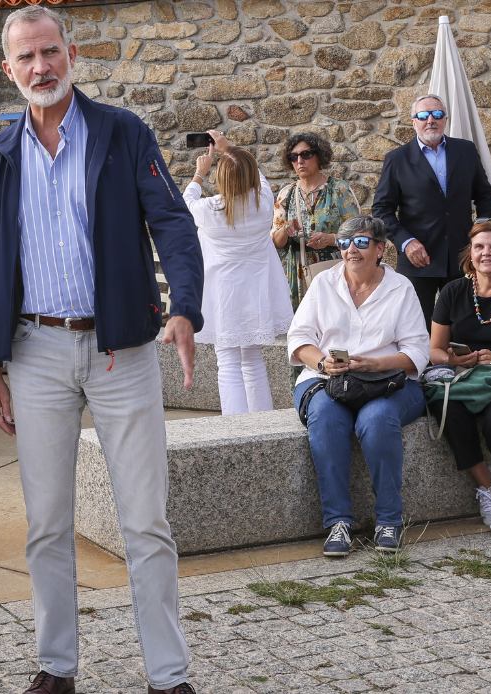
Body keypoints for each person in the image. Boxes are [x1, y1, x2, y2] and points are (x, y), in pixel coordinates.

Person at [0, 7, 202, 693]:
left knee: (145, 521)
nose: (40, 67)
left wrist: (185, 307)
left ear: (70, 53)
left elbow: (171, 221)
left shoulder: (121, 132)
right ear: (8, 70)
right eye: (26, 58)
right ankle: (56, 667)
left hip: (118, 350)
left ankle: (168, 674)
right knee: (45, 523)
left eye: (49, 52)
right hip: (33, 350)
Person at [287, 216, 429, 557]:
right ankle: (338, 522)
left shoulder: (400, 288)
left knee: (376, 420)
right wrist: (323, 362)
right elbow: (299, 339)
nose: (352, 250)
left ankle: (389, 521)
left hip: (390, 382)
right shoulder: (323, 284)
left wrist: (375, 363)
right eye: (346, 243)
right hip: (327, 379)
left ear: (380, 249)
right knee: (325, 417)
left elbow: (417, 352)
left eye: (362, 242)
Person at [184, 131, 293, 415]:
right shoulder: (263, 203)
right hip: (255, 290)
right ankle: (261, 421)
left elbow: (186, 202)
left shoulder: (210, 209)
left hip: (223, 293)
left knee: (228, 361)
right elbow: (259, 174)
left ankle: (235, 425)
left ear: (221, 177)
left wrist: (199, 173)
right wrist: (227, 148)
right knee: (253, 357)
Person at [372, 94, 491, 325]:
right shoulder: (397, 159)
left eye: (437, 114)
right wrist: (406, 242)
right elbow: (381, 210)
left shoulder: (466, 151)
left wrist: (481, 236)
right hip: (418, 261)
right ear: (413, 121)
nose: (430, 120)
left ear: (445, 119)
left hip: (463, 257)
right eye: (423, 115)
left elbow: (485, 196)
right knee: (416, 329)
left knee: (465, 326)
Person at [427, 219, 491, 533]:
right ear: (470, 253)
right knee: (448, 410)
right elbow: (434, 349)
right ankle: (487, 488)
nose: (486, 253)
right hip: (463, 376)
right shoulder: (454, 291)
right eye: (479, 247)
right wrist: (453, 357)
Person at [271, 132, 361, 306]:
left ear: (319, 156)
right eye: (293, 157)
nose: (300, 161)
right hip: (297, 272)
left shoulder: (339, 190)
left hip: (334, 268)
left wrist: (331, 239)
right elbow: (276, 241)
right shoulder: (286, 194)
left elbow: (359, 233)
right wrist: (285, 229)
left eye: (306, 154)